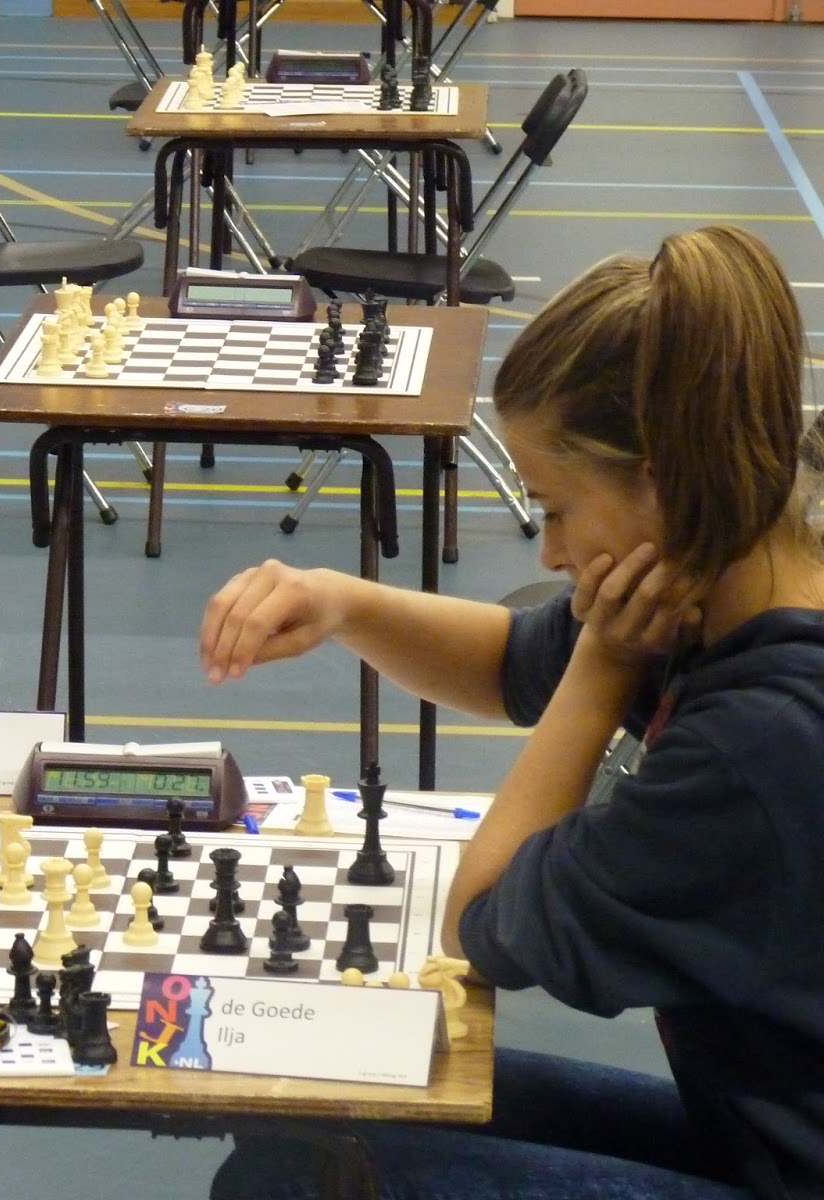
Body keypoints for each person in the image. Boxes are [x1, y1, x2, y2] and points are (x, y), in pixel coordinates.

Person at [197, 225, 824, 1199]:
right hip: (754, 1132)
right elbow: (513, 663)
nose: (548, 552)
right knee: (322, 1109)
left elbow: (479, 922)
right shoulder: (742, 564)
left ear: (660, 480)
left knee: (295, 1181)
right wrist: (340, 603)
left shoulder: (757, 742)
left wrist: (604, 661)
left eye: (556, 509)